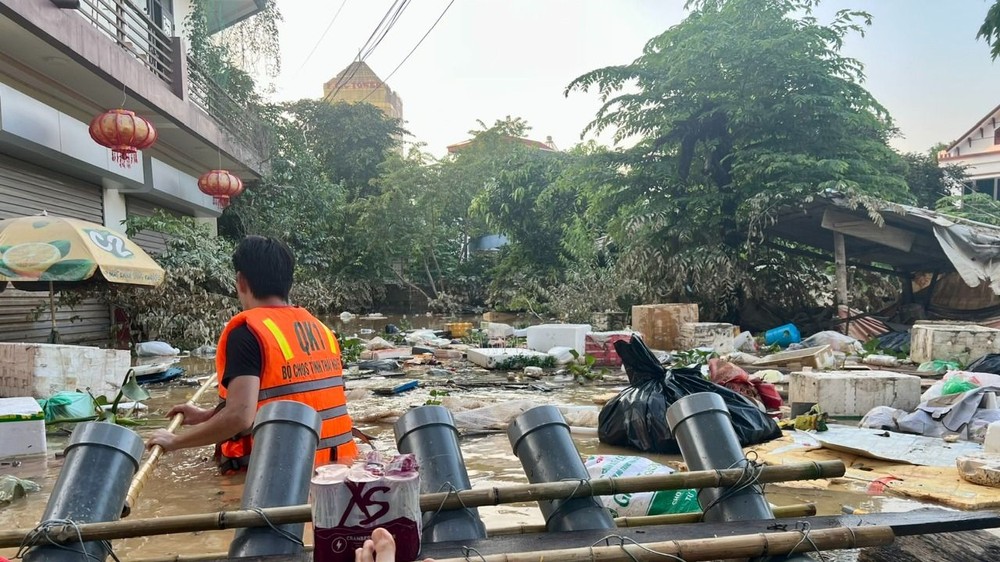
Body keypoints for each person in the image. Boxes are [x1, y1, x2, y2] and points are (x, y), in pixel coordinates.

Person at [147, 236, 358, 472]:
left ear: (241, 281)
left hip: (279, 477)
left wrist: (175, 441)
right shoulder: (322, 331)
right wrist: (206, 416)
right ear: (289, 281)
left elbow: (239, 416)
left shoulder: (248, 334)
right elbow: (299, 399)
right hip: (338, 469)